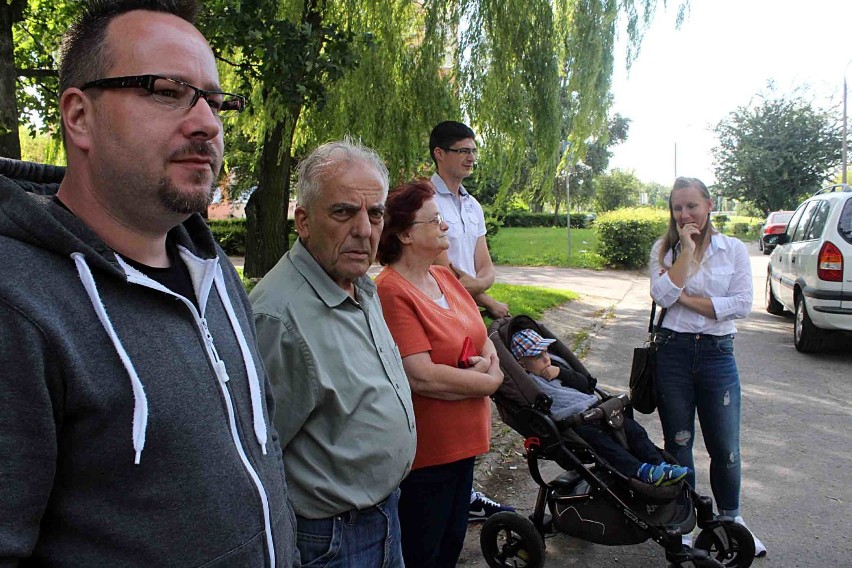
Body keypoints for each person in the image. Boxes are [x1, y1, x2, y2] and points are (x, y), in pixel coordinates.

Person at [0, 1, 297, 565]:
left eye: (214, 100)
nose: (207, 123)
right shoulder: (16, 304)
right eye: (166, 90)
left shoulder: (212, 274)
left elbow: (260, 454)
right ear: (79, 116)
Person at [249, 139, 416, 567]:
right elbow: (257, 458)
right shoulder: (278, 317)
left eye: (375, 213)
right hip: (331, 540)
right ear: (302, 221)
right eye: (344, 212)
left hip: (384, 515)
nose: (364, 229)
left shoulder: (358, 282)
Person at [374, 179, 504, 567]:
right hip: (429, 453)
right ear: (405, 234)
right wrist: (490, 381)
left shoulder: (445, 277)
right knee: (422, 551)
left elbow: (482, 335)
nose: (445, 226)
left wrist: (487, 362)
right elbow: (422, 376)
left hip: (467, 441)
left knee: (450, 544)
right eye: (435, 220)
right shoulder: (392, 291)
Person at [650, 176, 766, 556]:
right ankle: (683, 523)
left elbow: (741, 304)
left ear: (709, 205)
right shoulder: (664, 251)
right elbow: (660, 294)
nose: (685, 214)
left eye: (692, 206)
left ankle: (731, 522)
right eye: (678, 207)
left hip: (718, 355)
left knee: (725, 447)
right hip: (673, 354)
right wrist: (685, 251)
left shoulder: (732, 250)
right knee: (679, 444)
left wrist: (684, 298)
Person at [429, 119, 514, 520]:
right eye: (463, 150)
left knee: (472, 398)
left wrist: (483, 291)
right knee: (447, 398)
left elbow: (485, 267)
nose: (471, 157)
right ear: (439, 154)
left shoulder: (472, 205)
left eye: (473, 151)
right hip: (439, 308)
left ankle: (464, 490)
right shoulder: (427, 202)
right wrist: (485, 295)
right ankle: (446, 492)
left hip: (467, 308)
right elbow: (443, 269)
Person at [510, 329, 689, 486]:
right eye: (536, 356)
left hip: (597, 409)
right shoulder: (529, 383)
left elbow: (587, 384)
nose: (545, 358)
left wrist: (561, 372)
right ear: (521, 364)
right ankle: (640, 471)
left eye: (545, 352)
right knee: (605, 445)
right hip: (576, 422)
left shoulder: (556, 366)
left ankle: (660, 465)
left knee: (634, 430)